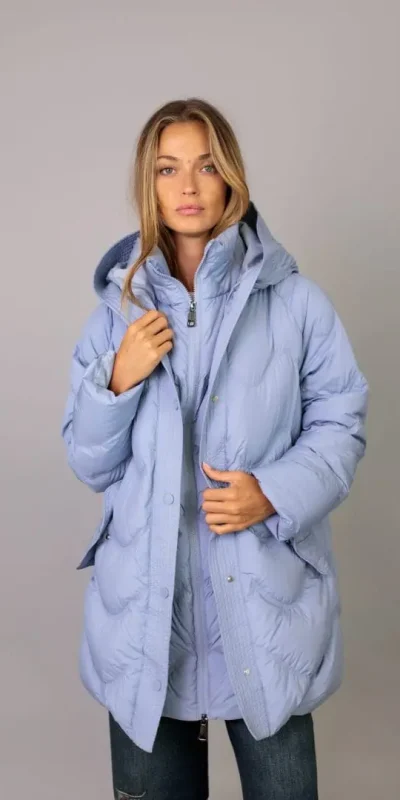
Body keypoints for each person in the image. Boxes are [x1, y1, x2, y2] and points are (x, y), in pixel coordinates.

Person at [61, 97, 369, 800]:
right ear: (148, 183)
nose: (189, 186)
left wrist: (274, 492)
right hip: (147, 625)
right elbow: (88, 460)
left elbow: (342, 422)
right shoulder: (116, 315)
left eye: (206, 166)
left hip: (265, 615)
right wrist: (117, 379)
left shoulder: (296, 303)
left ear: (231, 175)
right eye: (168, 169)